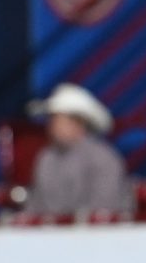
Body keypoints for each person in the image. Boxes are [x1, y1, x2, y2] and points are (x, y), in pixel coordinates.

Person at [22, 82, 131, 218]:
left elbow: (103, 209)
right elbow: (35, 205)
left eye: (58, 119)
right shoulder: (46, 158)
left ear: (78, 123)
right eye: (52, 119)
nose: (52, 126)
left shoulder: (103, 158)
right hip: (52, 235)